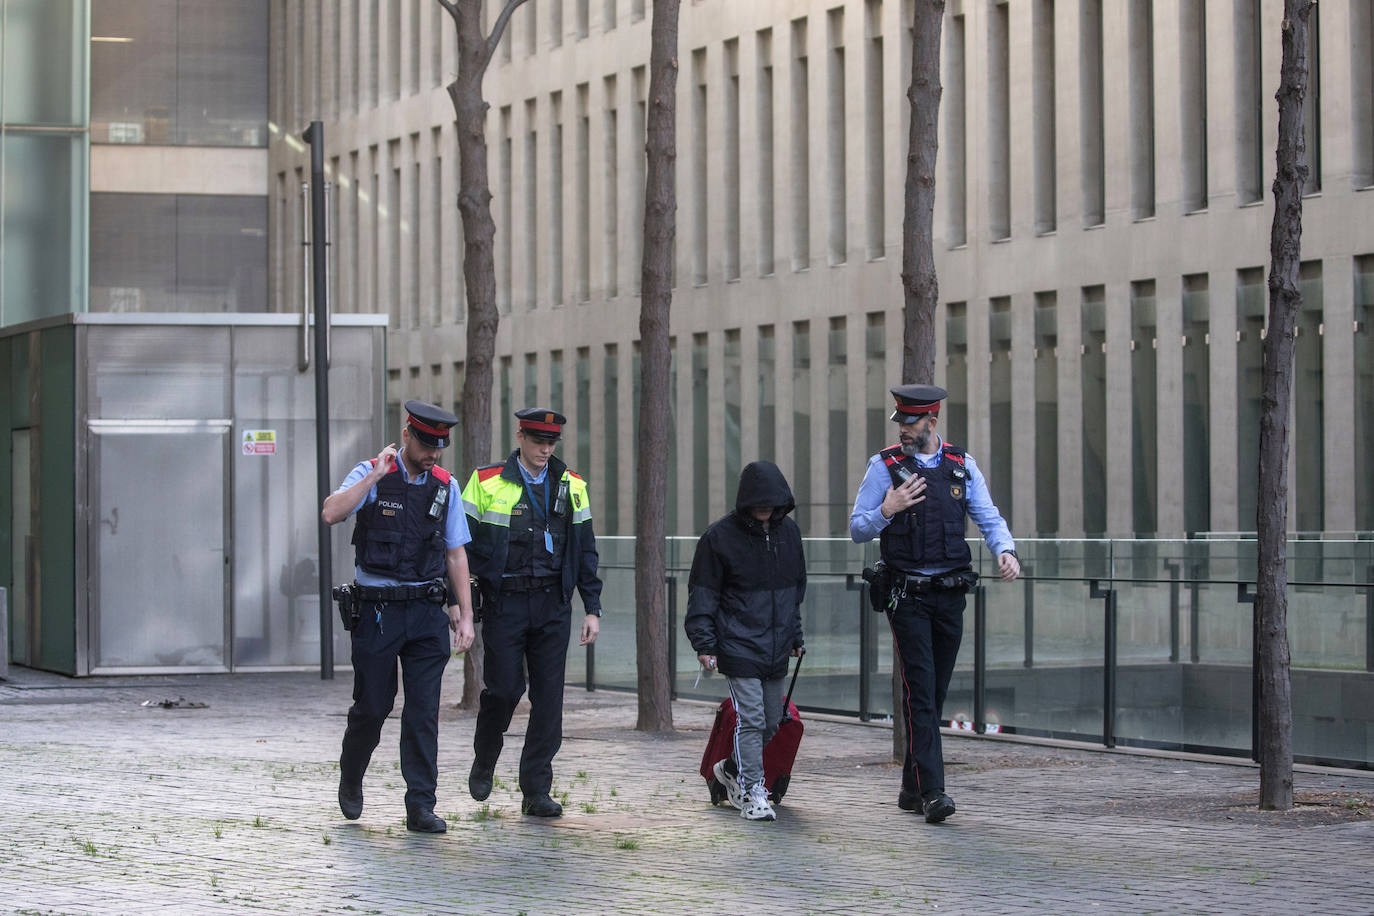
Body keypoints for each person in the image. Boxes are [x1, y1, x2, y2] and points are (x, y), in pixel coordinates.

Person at [850, 384, 1019, 824]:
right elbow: (857, 529)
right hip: (906, 596)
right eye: (899, 422)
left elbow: (988, 516)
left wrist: (1006, 550)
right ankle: (934, 794)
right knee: (921, 690)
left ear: (931, 422)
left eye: (910, 422)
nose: (902, 429)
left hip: (949, 595)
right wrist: (887, 509)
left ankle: (910, 787)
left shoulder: (961, 466)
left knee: (934, 692)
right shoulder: (883, 467)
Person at [321, 400, 476, 835]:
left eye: (440, 446)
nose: (433, 453)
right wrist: (373, 475)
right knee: (373, 706)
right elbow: (332, 513)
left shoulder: (446, 485)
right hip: (378, 612)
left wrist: (465, 615)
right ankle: (351, 777)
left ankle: (420, 806)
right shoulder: (370, 472)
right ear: (406, 435)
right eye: (426, 444)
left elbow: (455, 552)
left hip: (426, 612)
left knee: (424, 711)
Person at [462, 408, 603, 818]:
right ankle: (486, 756)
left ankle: (536, 789)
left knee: (549, 700)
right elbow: (459, 546)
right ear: (520, 436)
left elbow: (586, 549)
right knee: (504, 690)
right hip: (506, 602)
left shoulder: (572, 485)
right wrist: (461, 602)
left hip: (552, 604)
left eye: (551, 443)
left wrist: (591, 607)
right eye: (538, 441)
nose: (545, 449)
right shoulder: (486, 481)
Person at [685, 460, 806, 822]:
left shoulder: (790, 535)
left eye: (772, 503)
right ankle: (754, 791)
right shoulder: (719, 537)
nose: (765, 509)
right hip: (737, 645)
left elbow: (793, 594)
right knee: (751, 719)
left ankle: (731, 768)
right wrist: (705, 645)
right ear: (746, 502)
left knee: (772, 720)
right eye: (759, 503)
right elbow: (703, 595)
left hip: (777, 645)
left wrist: (796, 635)